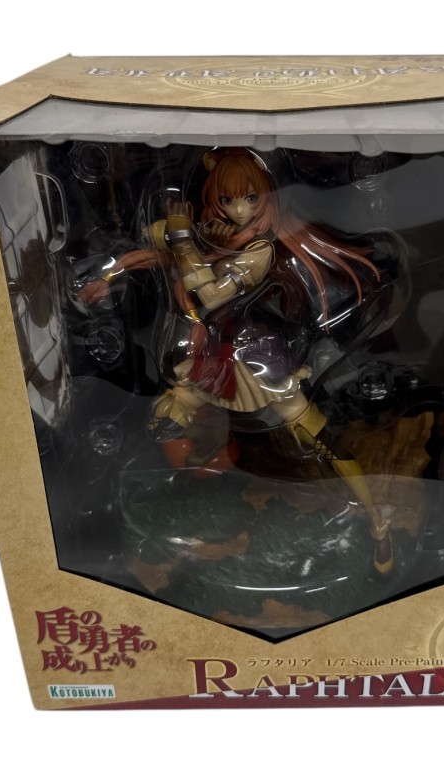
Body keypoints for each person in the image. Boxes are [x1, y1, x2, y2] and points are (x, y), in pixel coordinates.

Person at [80, 147, 393, 573]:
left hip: (258, 361)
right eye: (228, 199)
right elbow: (158, 257)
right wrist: (108, 275)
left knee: (319, 442)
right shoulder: (208, 234)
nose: (240, 209)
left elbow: (210, 295)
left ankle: (376, 519)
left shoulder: (259, 249)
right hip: (209, 356)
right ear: (214, 197)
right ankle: (157, 496)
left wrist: (181, 237)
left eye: (250, 198)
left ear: (267, 197)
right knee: (166, 415)